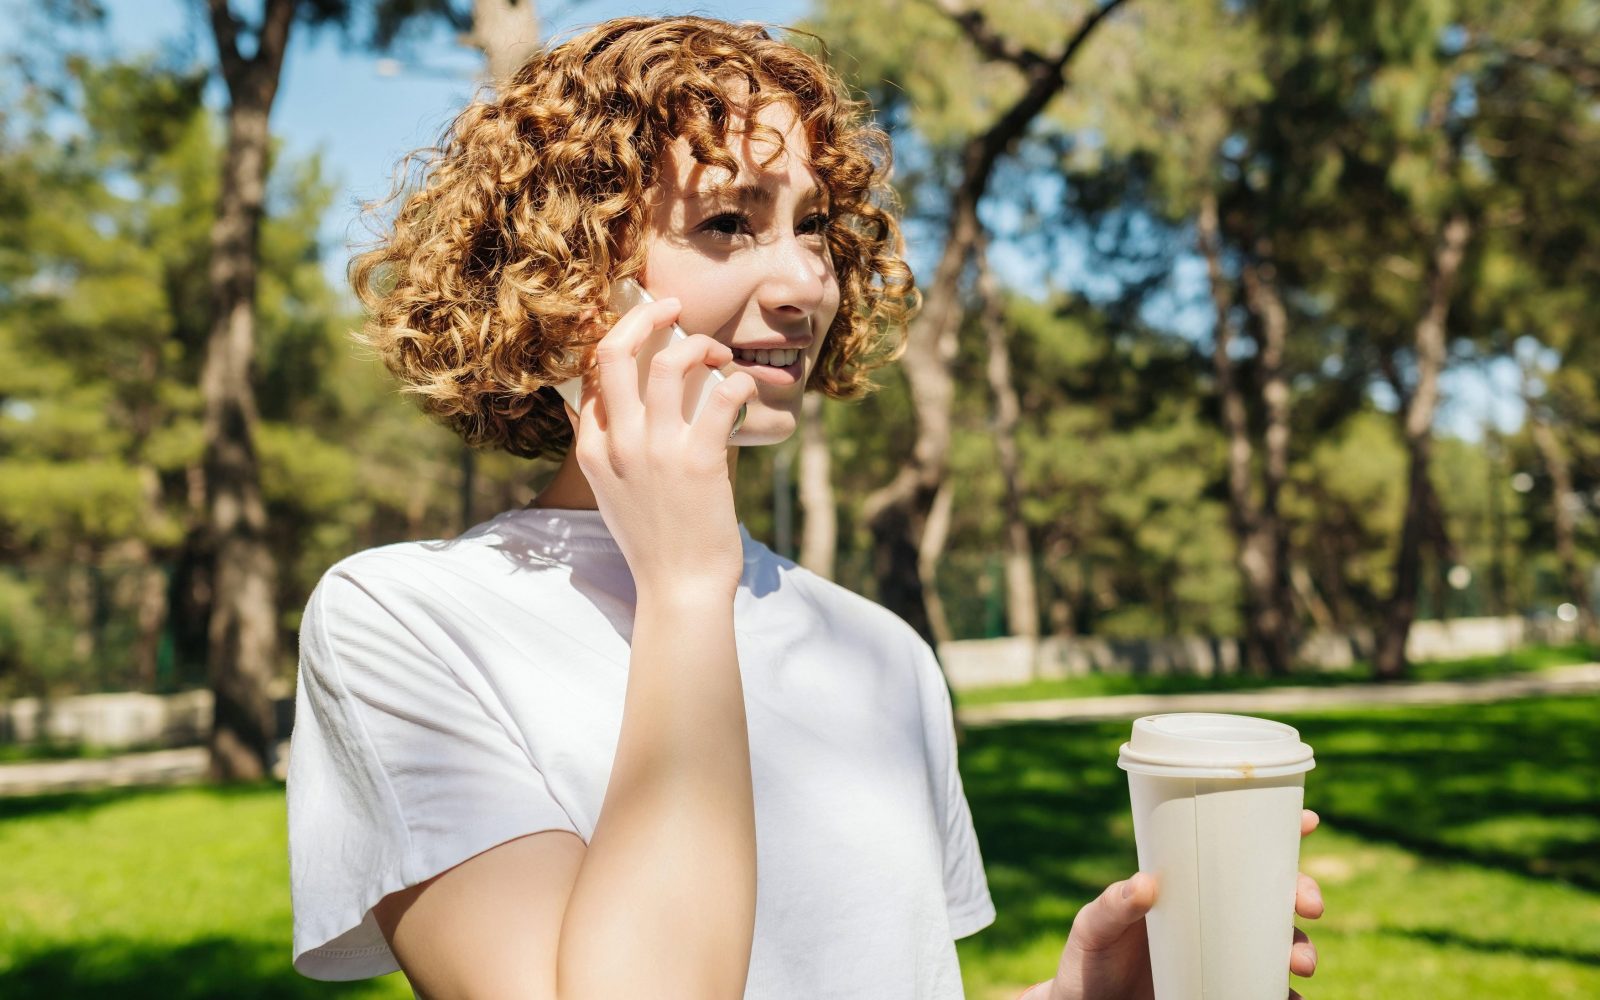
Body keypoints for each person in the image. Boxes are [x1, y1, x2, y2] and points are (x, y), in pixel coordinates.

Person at [285, 15, 1324, 1000]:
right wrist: (687, 584)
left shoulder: (880, 651)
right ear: (568, 269)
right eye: (728, 222)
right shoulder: (404, 620)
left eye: (814, 225)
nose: (804, 284)